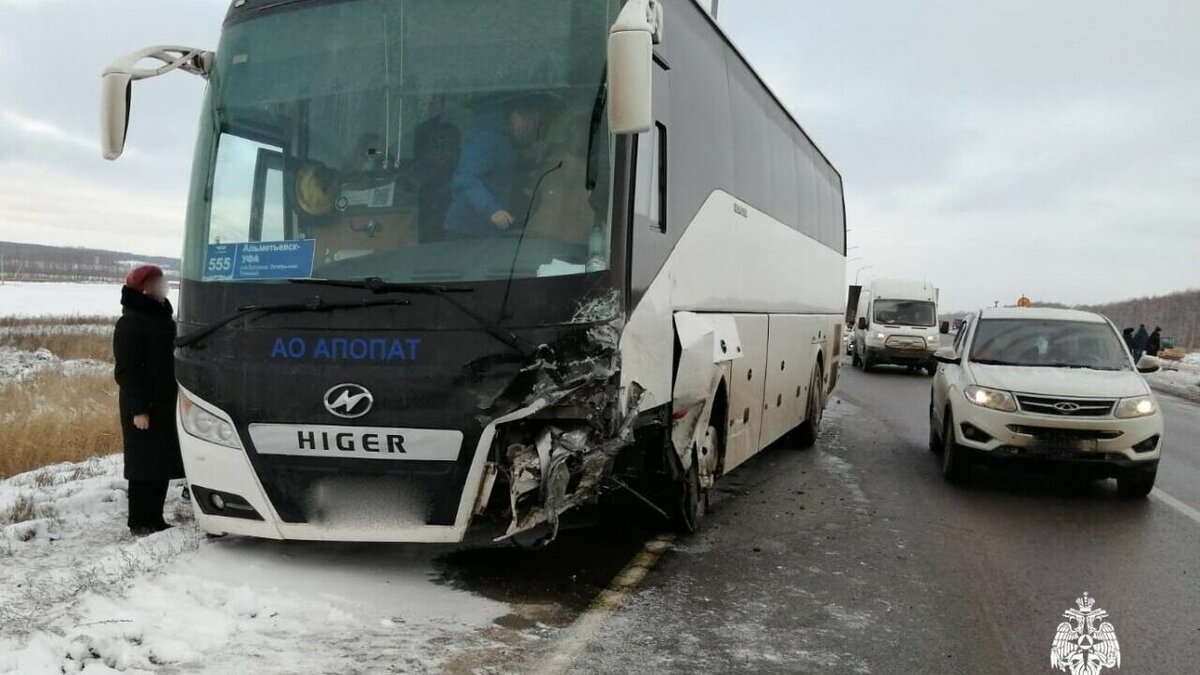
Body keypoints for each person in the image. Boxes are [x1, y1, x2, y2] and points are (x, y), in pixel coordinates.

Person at [113, 265, 185, 536]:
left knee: (160, 463)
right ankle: (140, 521)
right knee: (143, 465)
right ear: (146, 288)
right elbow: (127, 371)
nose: (165, 287)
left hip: (164, 403)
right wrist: (138, 409)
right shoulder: (131, 322)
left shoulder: (160, 317)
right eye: (159, 283)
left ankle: (155, 518)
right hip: (143, 407)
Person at [442, 98, 543, 237]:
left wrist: (527, 162)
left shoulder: (503, 139)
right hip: (465, 230)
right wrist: (492, 210)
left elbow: (498, 168)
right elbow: (464, 179)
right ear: (516, 117)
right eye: (531, 123)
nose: (533, 130)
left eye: (536, 124)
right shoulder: (486, 139)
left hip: (484, 228)